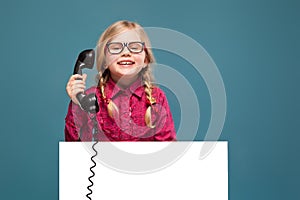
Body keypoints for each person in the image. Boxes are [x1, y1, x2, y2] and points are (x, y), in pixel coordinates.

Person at [65, 20, 176, 141]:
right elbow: (75, 147)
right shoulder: (92, 98)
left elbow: (167, 147)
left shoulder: (157, 97)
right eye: (116, 48)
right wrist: (78, 104)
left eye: (134, 47)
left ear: (146, 60)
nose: (126, 53)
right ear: (105, 61)